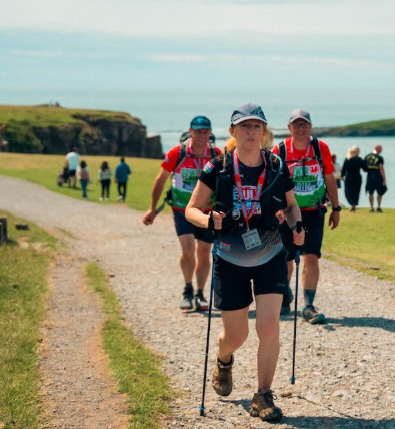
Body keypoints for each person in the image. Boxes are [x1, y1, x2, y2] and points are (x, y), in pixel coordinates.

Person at [186, 103, 304, 423]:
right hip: (229, 257)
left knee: (269, 326)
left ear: (263, 131)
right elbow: (191, 209)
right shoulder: (219, 167)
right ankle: (224, 359)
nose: (251, 132)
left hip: (270, 254)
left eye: (256, 126)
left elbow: (292, 206)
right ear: (233, 132)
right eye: (245, 126)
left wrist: (297, 226)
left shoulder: (277, 166)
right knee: (236, 335)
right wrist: (208, 220)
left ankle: (263, 395)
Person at [142, 115, 221, 311]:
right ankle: (187, 289)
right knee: (188, 250)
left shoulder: (216, 154)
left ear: (210, 133)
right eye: (198, 131)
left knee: (204, 252)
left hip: (207, 211)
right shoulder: (178, 152)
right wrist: (152, 208)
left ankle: (200, 293)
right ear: (190, 131)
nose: (202, 135)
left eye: (206, 131)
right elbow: (161, 179)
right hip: (182, 209)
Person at [272, 108, 342, 323]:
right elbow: (272, 183)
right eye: (296, 124)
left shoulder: (320, 148)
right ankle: (284, 297)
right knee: (286, 258)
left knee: (311, 256)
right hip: (286, 213)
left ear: (310, 126)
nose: (300, 128)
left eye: (304, 124)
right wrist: (275, 208)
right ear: (289, 127)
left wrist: (336, 208)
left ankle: (308, 305)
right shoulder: (279, 150)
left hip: (314, 212)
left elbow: (329, 178)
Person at [364, 144, 386, 212]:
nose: (382, 150)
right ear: (377, 148)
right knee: (379, 192)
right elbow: (381, 168)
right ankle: (378, 207)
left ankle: (371, 207)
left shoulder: (367, 156)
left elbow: (364, 168)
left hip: (370, 176)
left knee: (371, 192)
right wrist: (384, 179)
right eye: (381, 149)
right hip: (378, 177)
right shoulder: (379, 157)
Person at [341, 146, 364, 211]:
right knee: (356, 191)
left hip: (349, 177)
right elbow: (365, 168)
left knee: (348, 191)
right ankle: (353, 204)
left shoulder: (347, 159)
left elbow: (344, 169)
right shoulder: (359, 159)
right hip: (357, 177)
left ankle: (352, 204)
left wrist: (342, 176)